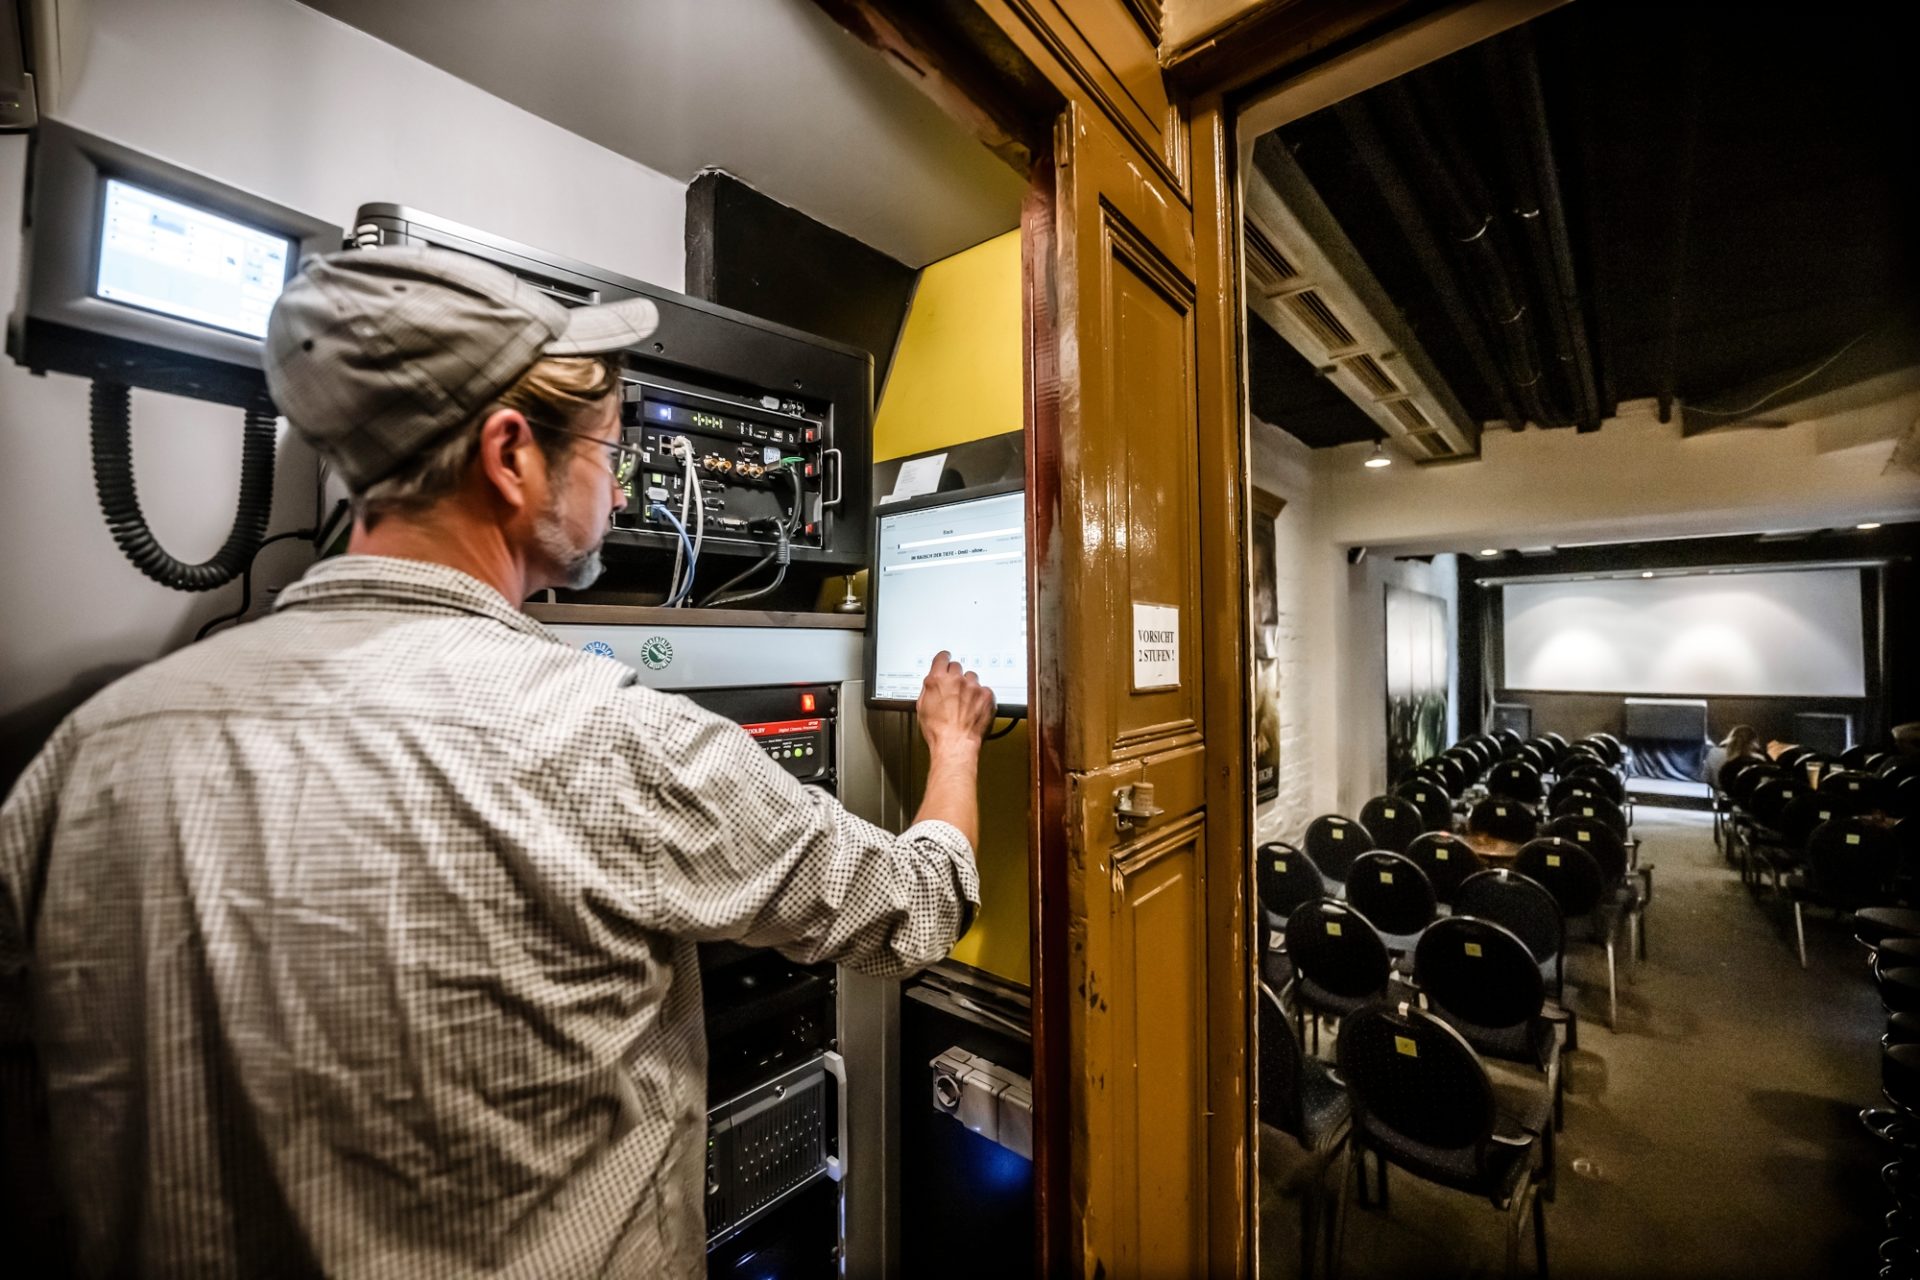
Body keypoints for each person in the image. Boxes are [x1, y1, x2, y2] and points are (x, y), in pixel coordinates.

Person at [0, 247, 996, 1277]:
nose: (613, 489)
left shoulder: (91, 749)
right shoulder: (609, 739)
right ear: (512, 454)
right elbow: (917, 905)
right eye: (607, 452)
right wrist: (954, 746)